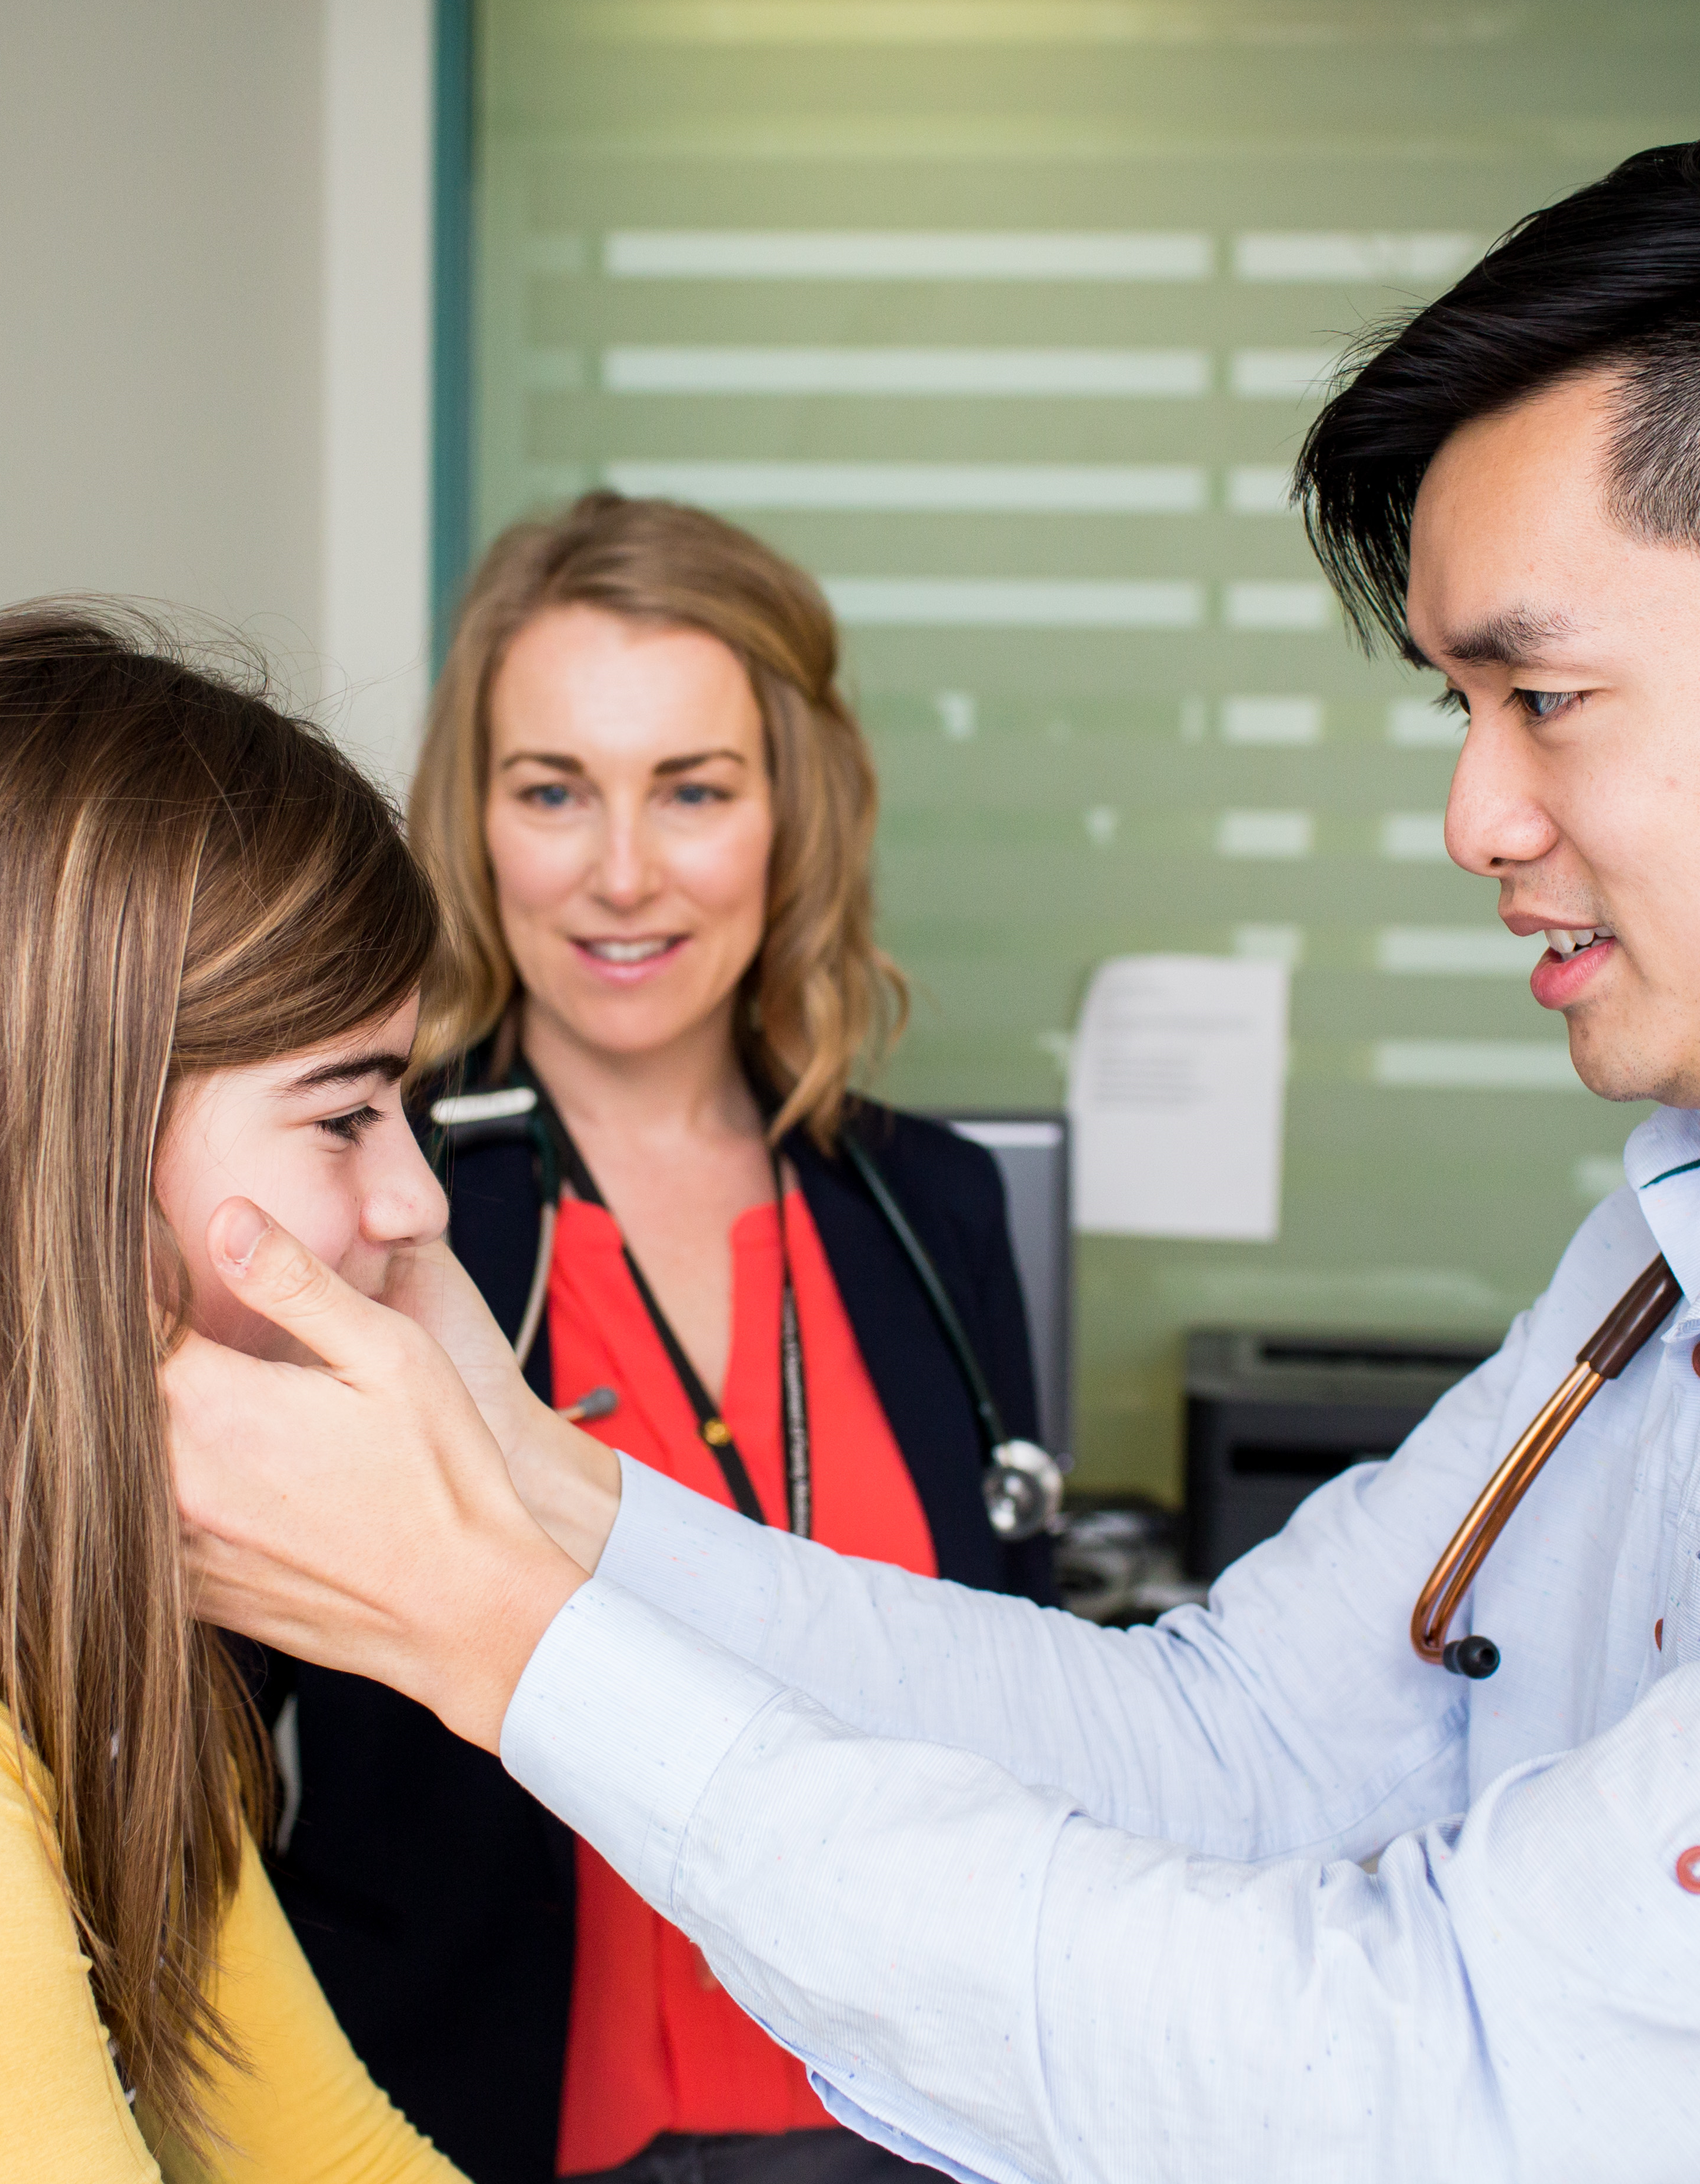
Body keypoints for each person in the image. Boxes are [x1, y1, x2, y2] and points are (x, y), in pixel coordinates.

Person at [170, 141, 1700, 2181]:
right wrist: (528, 1481)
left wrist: (499, 1621)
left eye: (1544, 696)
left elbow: (1425, 2072)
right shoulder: (1642, 1269)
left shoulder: (923, 1201)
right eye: (1456, 704)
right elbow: (1210, 1747)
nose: (1473, 816)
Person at [262, 491, 1050, 2184]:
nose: (623, 873)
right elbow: (180, 1757)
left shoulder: (934, 1213)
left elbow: (1032, 1707)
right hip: (469, 2123)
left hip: (914, 2125)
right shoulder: (369, 1205)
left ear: (793, 815)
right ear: (473, 822)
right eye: (554, 792)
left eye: (692, 791)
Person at [0, 606, 488, 2180]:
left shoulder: (98, 1651)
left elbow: (329, 2154)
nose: (415, 1202)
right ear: (10, 1152)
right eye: (344, 1117)